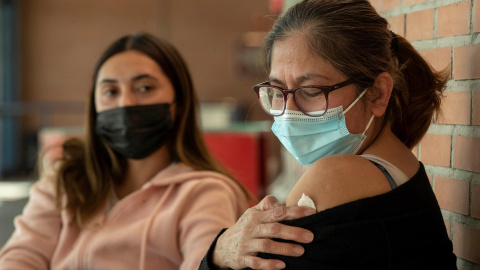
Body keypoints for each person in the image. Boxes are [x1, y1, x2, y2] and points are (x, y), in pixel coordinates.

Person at [199, 0, 457, 269]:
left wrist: (220, 251)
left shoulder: (336, 175)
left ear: (377, 93)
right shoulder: (400, 171)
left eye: (311, 91)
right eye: (277, 92)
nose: (289, 112)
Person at [0, 33, 251, 270]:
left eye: (144, 88)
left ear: (179, 103)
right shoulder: (66, 180)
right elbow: (22, 256)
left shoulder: (205, 193)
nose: (125, 103)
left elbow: (202, 262)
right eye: (110, 91)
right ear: (95, 106)